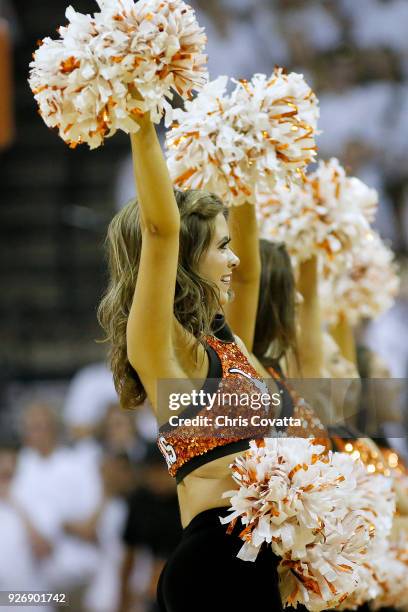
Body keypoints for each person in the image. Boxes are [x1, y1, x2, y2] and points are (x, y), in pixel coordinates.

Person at [97, 109, 284, 611]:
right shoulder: (163, 346)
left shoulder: (227, 344)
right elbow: (160, 231)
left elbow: (248, 279)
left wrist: (244, 170)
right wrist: (140, 121)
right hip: (213, 564)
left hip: (258, 556)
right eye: (222, 247)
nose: (236, 257)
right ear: (187, 255)